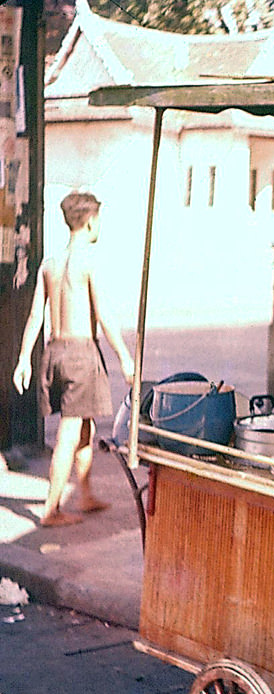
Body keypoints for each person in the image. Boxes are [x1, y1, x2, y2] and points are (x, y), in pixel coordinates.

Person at [12, 191, 134, 527]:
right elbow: (104, 315)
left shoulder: (50, 264)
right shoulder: (89, 262)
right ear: (92, 221)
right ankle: (51, 509)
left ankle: (85, 493)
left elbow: (36, 315)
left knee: (84, 427)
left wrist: (25, 358)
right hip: (81, 353)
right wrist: (125, 357)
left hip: (55, 351)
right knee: (69, 430)